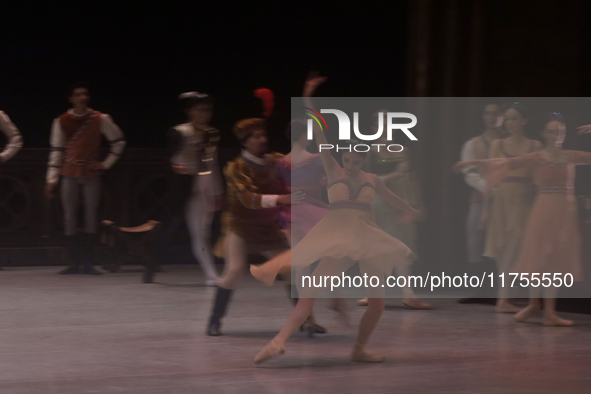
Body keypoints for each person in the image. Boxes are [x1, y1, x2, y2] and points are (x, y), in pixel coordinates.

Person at [251, 73, 422, 364]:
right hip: (338, 237)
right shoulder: (333, 170)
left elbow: (395, 200)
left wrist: (413, 210)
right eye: (349, 160)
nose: (352, 165)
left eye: (357, 161)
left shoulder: (373, 179)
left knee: (377, 303)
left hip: (367, 238)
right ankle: (279, 340)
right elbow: (320, 131)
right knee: (309, 294)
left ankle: (359, 348)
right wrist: (307, 96)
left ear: (363, 160)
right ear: (342, 158)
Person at [453, 113, 590, 326]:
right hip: (543, 210)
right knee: (539, 258)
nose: (557, 135)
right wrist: (473, 161)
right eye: (553, 131)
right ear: (544, 134)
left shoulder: (570, 155)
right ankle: (536, 304)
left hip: (564, 212)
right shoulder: (538, 156)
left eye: (561, 131)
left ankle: (549, 312)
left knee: (555, 259)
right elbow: (506, 163)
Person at [206, 118, 305, 336]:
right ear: (245, 142)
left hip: (266, 226)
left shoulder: (276, 161)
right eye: (257, 136)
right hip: (240, 226)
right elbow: (248, 198)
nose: (263, 139)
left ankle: (306, 321)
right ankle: (214, 321)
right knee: (233, 271)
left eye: (263, 135)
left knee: (292, 270)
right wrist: (281, 198)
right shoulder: (235, 168)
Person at [45, 82, 126, 275]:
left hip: (90, 171)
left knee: (91, 216)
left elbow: (118, 141)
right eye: (78, 95)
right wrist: (51, 179)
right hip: (69, 170)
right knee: (69, 216)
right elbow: (56, 151)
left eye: (85, 94)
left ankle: (89, 262)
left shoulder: (99, 118)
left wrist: (106, 164)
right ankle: (74, 262)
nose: (83, 97)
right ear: (71, 98)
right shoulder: (61, 121)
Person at [145, 92, 223, 285]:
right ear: (190, 111)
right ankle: (151, 265)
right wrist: (174, 166)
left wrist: (217, 191)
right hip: (180, 187)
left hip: (201, 186)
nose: (205, 114)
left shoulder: (211, 134)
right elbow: (166, 158)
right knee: (168, 229)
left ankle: (211, 274)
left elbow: (212, 164)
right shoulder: (179, 132)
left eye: (208, 110)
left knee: (201, 232)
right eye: (201, 110)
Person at [357, 111, 430, 310]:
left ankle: (409, 294)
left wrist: (418, 205)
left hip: (401, 203)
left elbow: (411, 178)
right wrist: (395, 173)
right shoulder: (371, 152)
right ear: (374, 129)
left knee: (403, 247)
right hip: (380, 204)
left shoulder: (403, 150)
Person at [482, 104, 542, 313]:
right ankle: (503, 299)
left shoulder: (535, 146)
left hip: (523, 198)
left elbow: (538, 179)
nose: (510, 123)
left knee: (516, 247)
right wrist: (485, 209)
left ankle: (506, 297)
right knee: (503, 249)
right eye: (507, 119)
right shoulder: (497, 144)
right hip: (502, 200)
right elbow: (491, 178)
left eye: (515, 118)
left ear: (524, 121)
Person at [458, 103, 504, 304]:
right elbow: (469, 174)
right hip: (480, 198)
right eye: (487, 113)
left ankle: (501, 292)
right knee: (475, 241)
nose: (491, 117)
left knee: (502, 243)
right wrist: (489, 187)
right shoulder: (473, 144)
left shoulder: (507, 143)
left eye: (495, 113)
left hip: (506, 200)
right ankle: (477, 290)